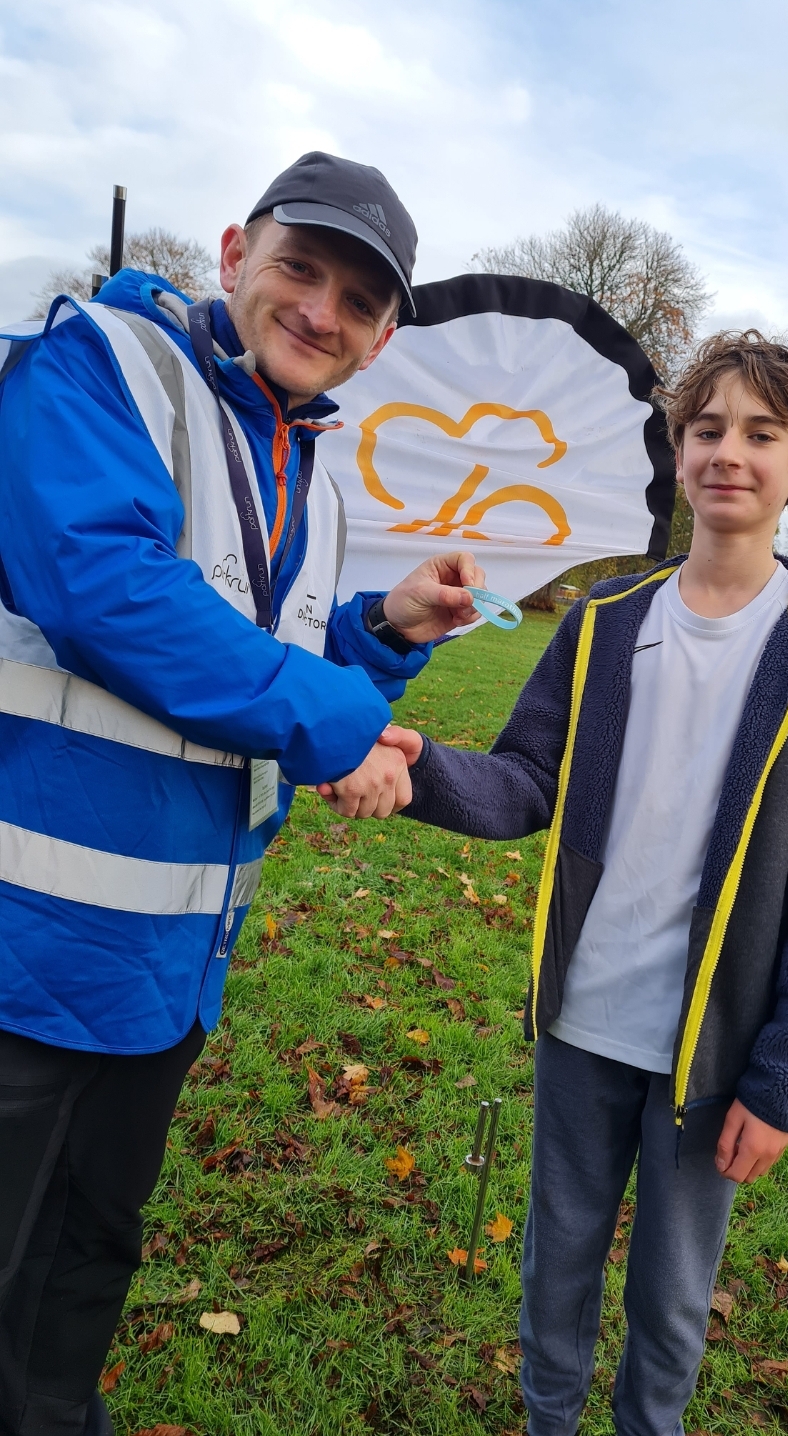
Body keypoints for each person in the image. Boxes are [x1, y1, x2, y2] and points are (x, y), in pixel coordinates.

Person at [0, 151, 483, 1436]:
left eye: (359, 301)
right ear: (233, 254)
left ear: (380, 341)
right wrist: (345, 726)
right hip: (23, 946)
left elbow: (261, 651)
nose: (322, 311)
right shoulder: (104, 361)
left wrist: (378, 630)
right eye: (300, 268)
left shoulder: (306, 469)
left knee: (86, 1253)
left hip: (167, 963)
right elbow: (105, 592)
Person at [381, 331, 788, 1436]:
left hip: (713, 1053)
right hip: (582, 1018)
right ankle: (546, 1418)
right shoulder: (607, 621)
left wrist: (781, 1077)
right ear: (675, 450)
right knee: (554, 1260)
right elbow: (525, 781)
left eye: (761, 434)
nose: (728, 452)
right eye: (705, 428)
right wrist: (418, 765)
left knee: (667, 1300)